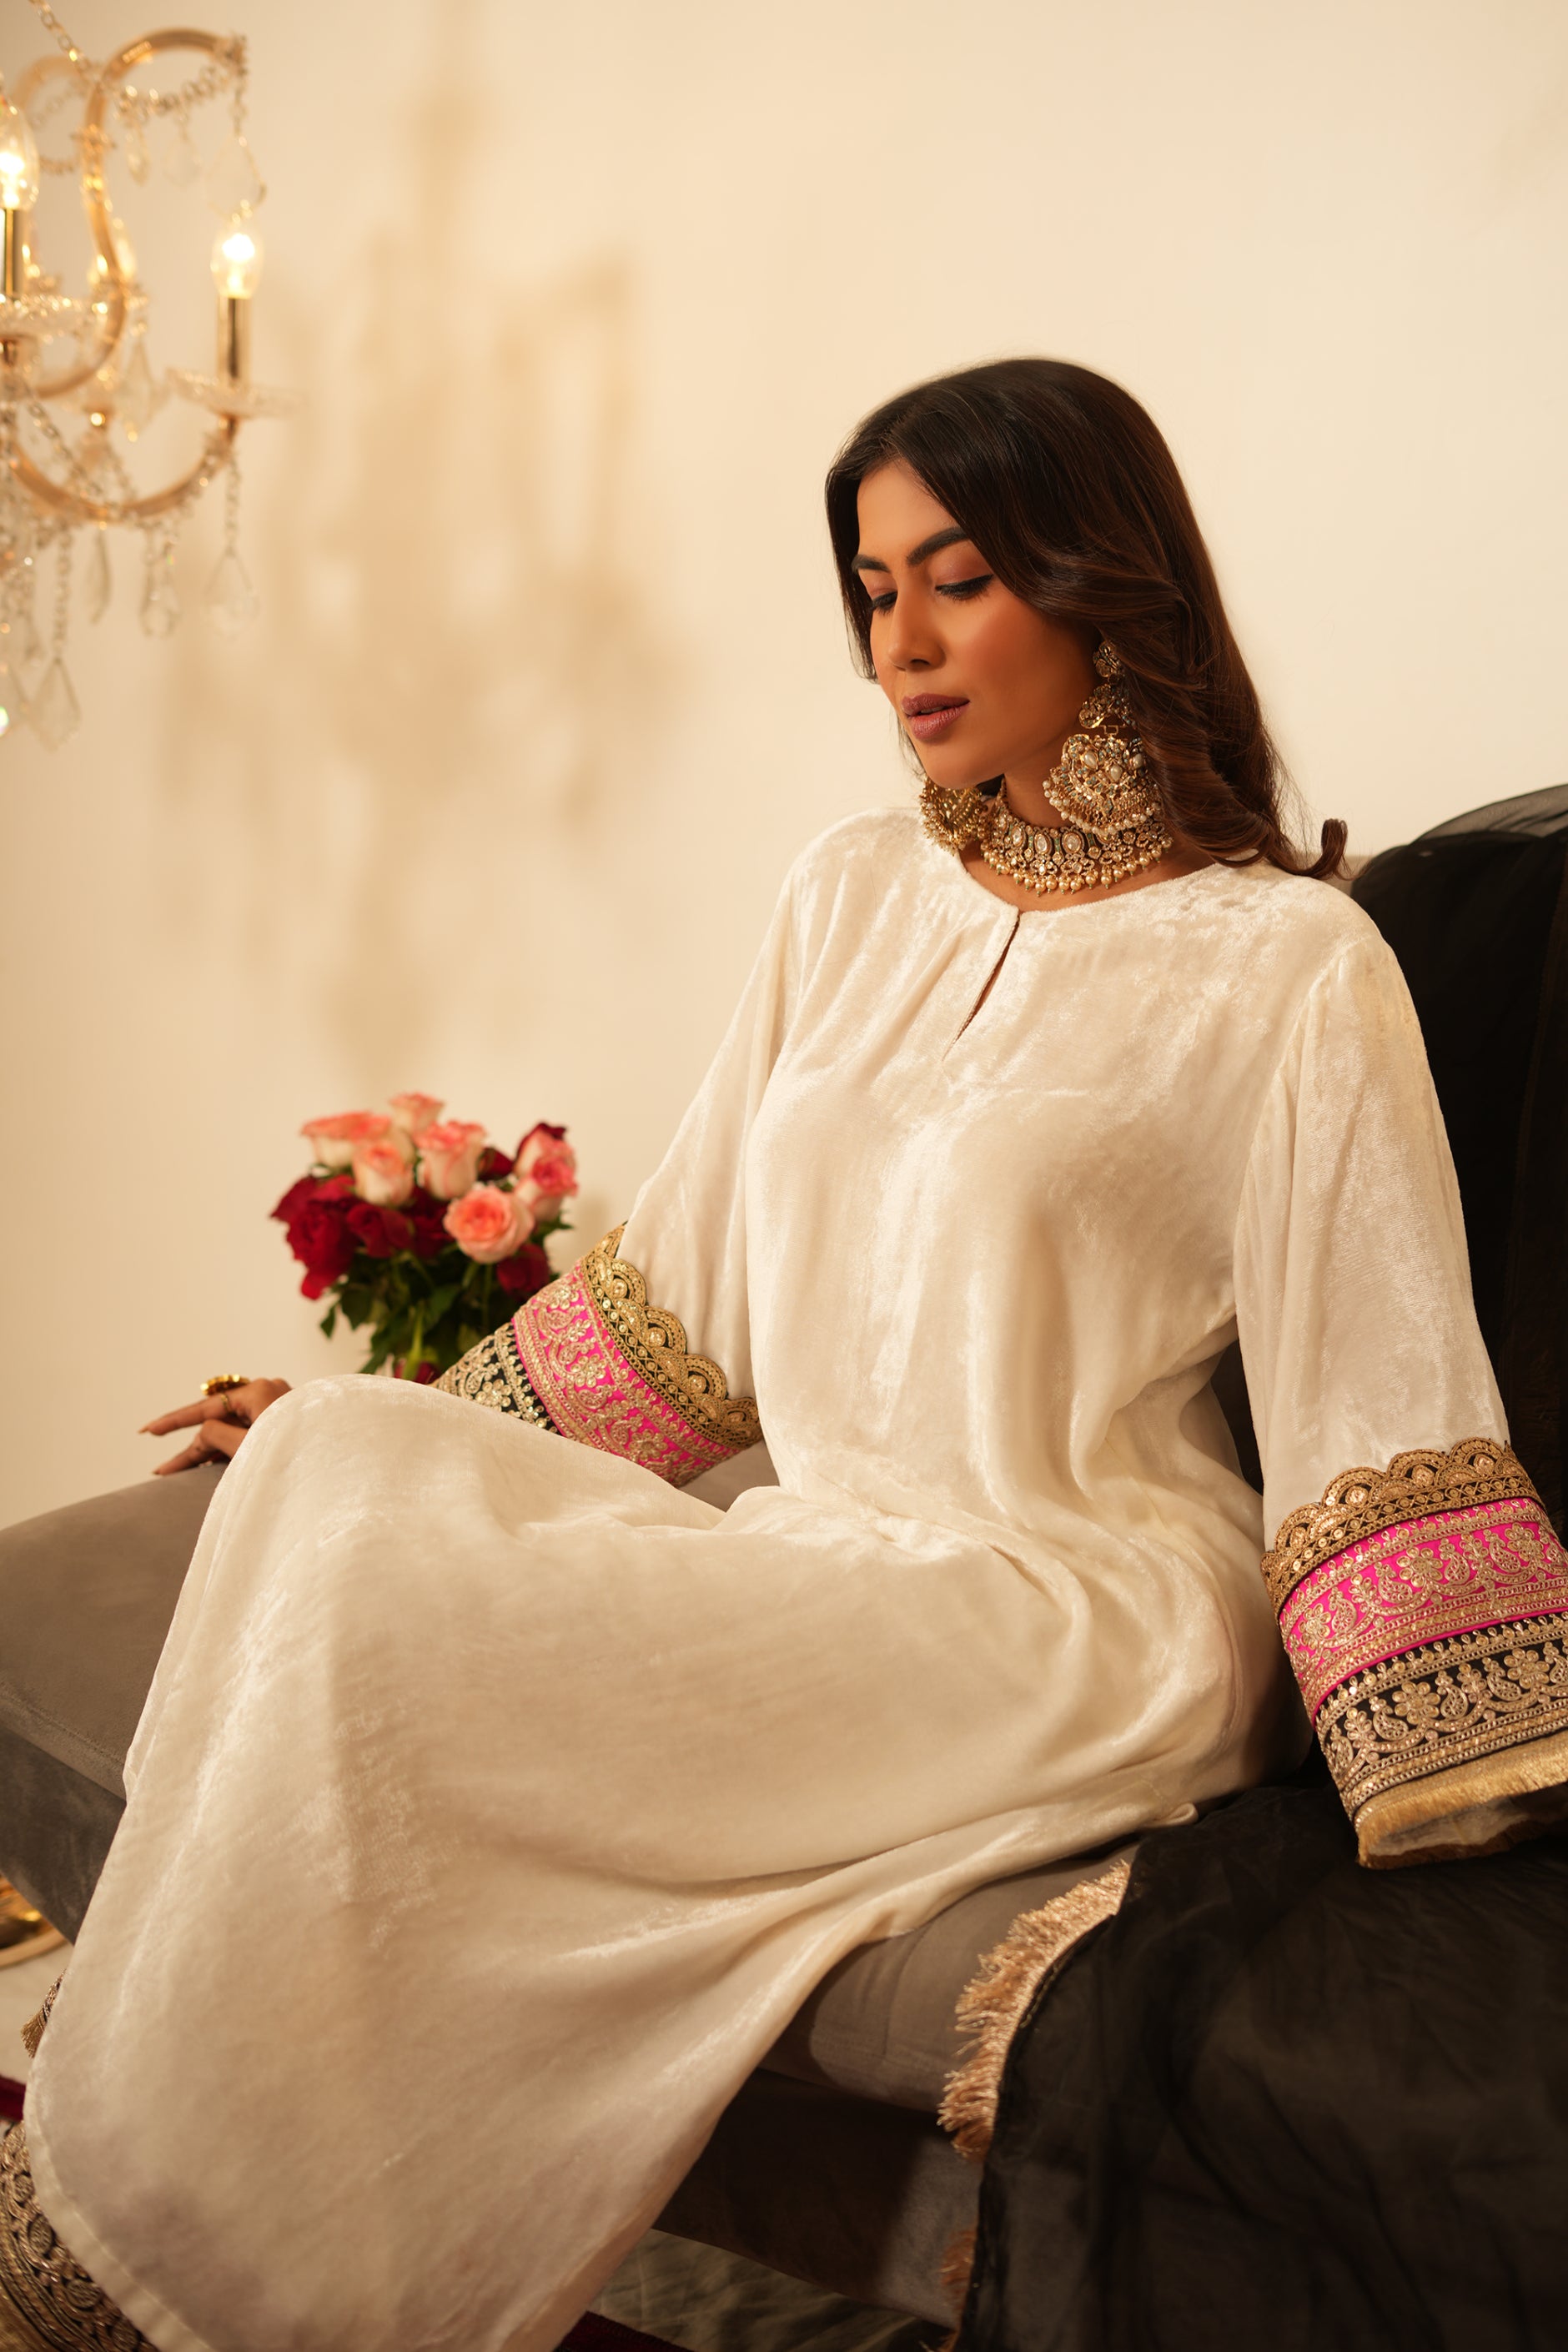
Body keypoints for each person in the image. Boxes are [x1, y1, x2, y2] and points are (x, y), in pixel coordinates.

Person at [3, 358, 1565, 2352]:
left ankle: (171, 2276)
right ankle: (209, 2240)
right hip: (822, 1556)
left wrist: (1455, 1749)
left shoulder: (1282, 965)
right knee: (337, 1477)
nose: (899, 643)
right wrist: (366, 1415)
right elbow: (690, 1306)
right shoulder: (845, 898)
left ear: (1099, 580)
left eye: (957, 578)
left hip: (1068, 1605)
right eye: (870, 589)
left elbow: (1374, 1375)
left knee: (388, 1601)